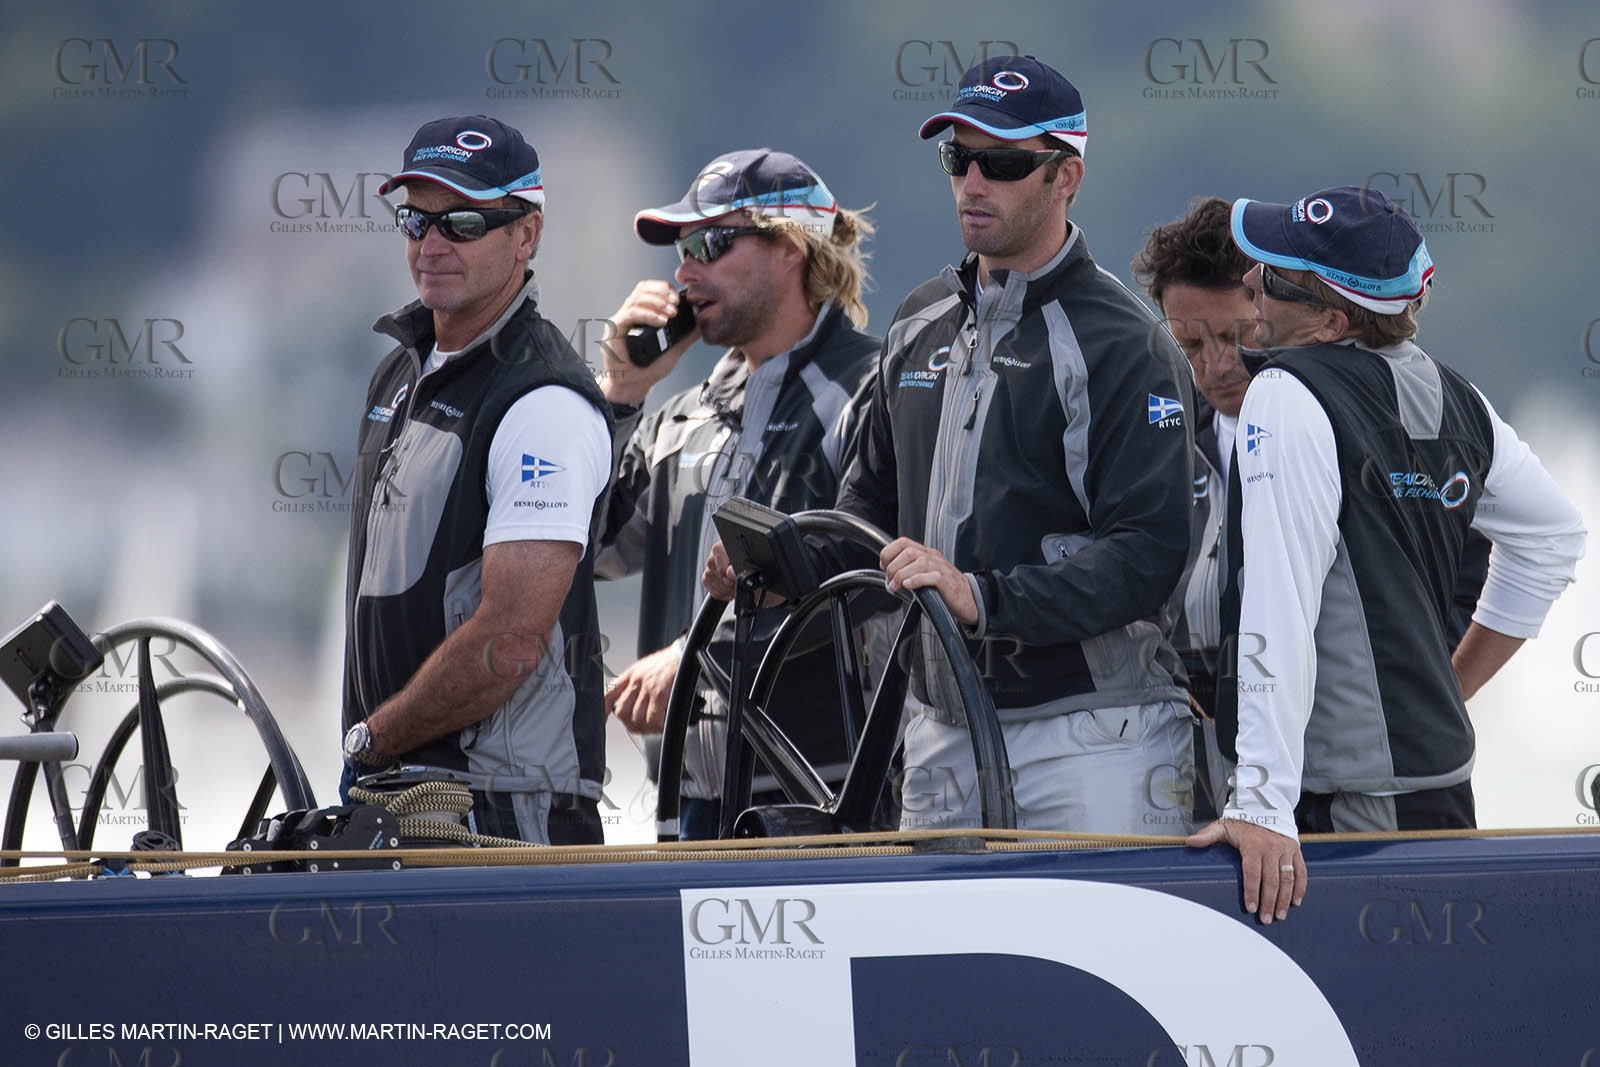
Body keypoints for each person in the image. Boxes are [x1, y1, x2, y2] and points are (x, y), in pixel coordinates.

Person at [747, 55, 1197, 834]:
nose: (973, 183)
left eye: (1004, 163)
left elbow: (1147, 552)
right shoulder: (918, 322)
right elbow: (867, 508)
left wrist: (983, 597)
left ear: (1066, 177)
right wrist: (779, 568)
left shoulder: (1130, 343)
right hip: (940, 729)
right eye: (959, 158)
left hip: (1092, 737)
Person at [1188, 186, 1586, 922]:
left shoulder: (1282, 392)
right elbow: (1554, 536)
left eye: (1273, 275)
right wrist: (1450, 688)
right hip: (1442, 780)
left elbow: (1280, 604)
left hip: (1344, 804)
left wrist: (1261, 803)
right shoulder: (1458, 395)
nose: (1248, 280)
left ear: (1330, 321)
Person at [339, 115, 614, 845]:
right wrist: (373, 756)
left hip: (503, 807)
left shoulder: (543, 401)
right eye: (416, 220)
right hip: (399, 788)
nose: (431, 244)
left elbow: (512, 641)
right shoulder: (398, 373)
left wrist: (373, 738)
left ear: (527, 235)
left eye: (462, 223)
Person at [595, 149, 881, 838]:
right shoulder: (680, 416)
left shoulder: (871, 391)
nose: (684, 272)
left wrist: (695, 660)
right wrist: (621, 395)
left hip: (824, 797)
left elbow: (867, 576)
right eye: (682, 249)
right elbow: (586, 549)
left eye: (711, 244)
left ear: (791, 248)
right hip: (687, 799)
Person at [1132, 196, 1257, 821]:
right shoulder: (1155, 442)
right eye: (1189, 343)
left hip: (1334, 783)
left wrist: (1439, 687)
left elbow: (1465, 571)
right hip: (1189, 784)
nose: (1215, 365)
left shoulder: (1350, 428)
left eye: (1234, 337)